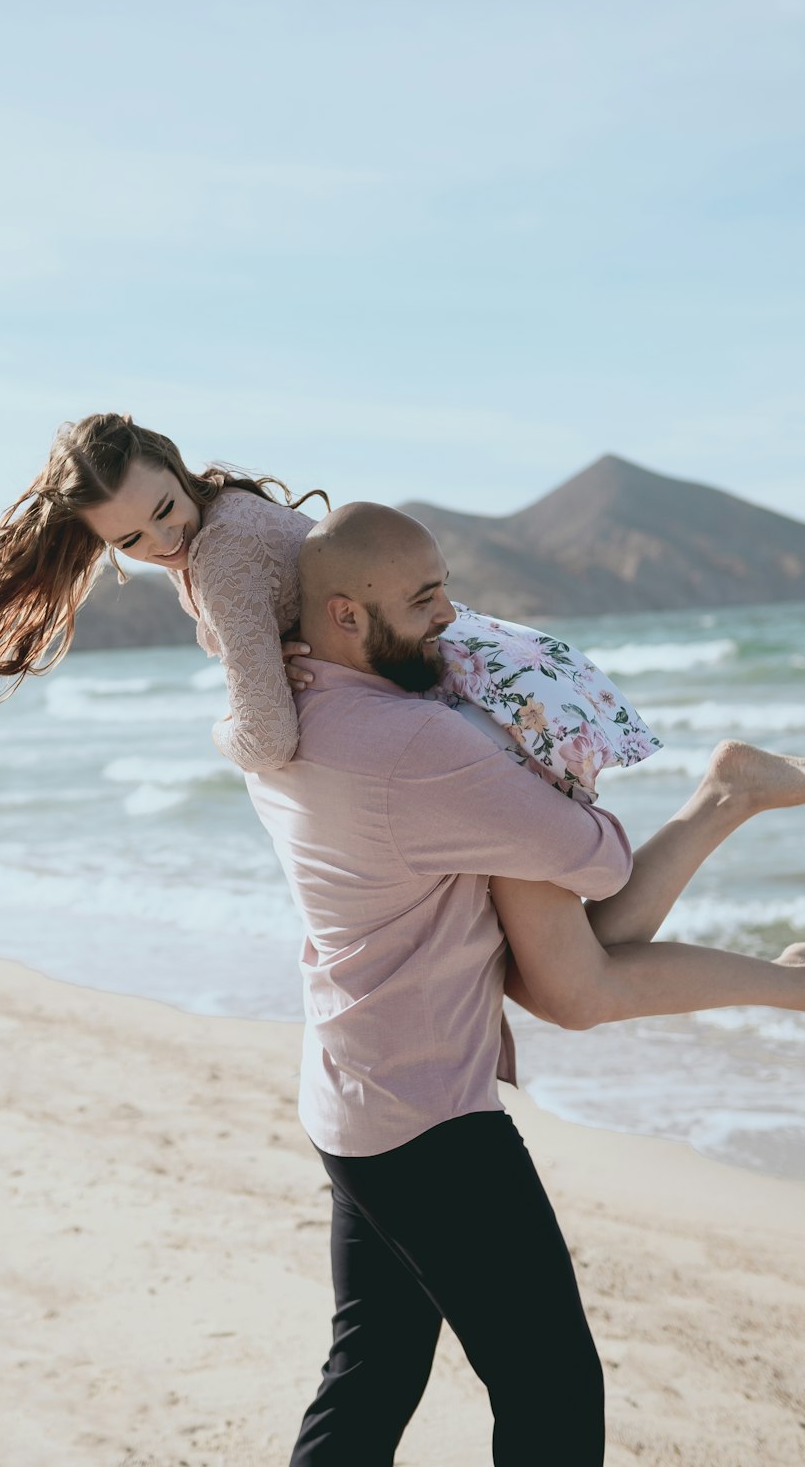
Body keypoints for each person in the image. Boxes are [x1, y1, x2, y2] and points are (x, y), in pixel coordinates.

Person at [0, 412, 805, 994]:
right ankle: (736, 820)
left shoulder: (219, 560)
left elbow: (267, 732)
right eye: (129, 539)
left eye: (163, 508)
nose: (161, 540)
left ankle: (731, 806)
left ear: (177, 466)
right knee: (569, 979)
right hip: (466, 684)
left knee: (573, 982)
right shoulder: (230, 517)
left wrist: (222, 726)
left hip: (460, 710)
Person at [242, 503, 805, 1464]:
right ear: (343, 615)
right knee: (551, 1387)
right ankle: (732, 810)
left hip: (351, 1091)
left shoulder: (282, 708)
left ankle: (736, 817)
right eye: (424, 600)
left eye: (446, 586)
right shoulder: (415, 743)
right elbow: (600, 866)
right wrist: (526, 770)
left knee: (372, 1370)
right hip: (427, 1119)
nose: (451, 615)